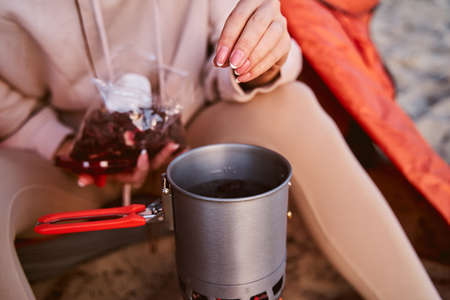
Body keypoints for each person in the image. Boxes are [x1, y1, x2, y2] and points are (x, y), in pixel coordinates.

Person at [0, 0, 440, 299]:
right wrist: (51, 139)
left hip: (198, 137)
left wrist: (262, 61)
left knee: (291, 105)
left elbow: (253, 48)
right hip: (66, 165)